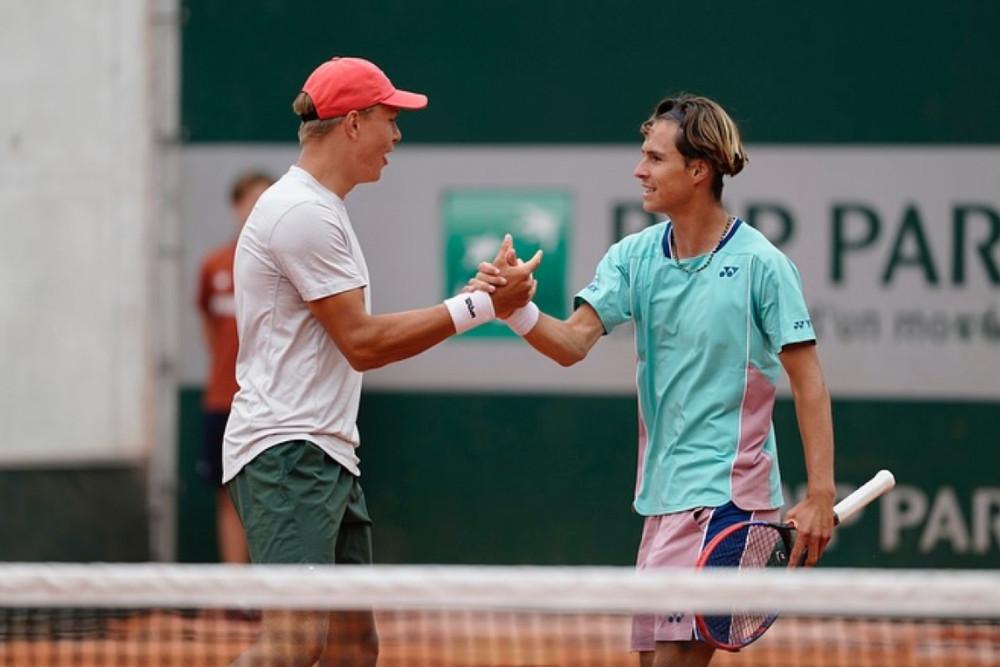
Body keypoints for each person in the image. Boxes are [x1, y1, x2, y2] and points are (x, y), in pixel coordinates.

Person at [471, 94, 835, 667]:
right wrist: (514, 310)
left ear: (698, 169)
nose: (639, 170)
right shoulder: (633, 257)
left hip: (730, 501)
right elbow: (570, 345)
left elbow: (808, 381)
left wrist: (818, 495)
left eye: (654, 158)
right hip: (662, 501)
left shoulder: (763, 265)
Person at [222, 56, 540, 667]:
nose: (396, 136)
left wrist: (477, 303)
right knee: (294, 644)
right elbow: (362, 341)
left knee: (351, 646)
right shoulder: (302, 213)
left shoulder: (321, 209)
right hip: (287, 452)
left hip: (324, 453)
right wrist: (478, 306)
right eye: (389, 119)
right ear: (352, 123)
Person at [195, 170, 273, 566]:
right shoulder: (213, 266)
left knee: (269, 497)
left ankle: (269, 597)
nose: (256, 208)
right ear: (235, 206)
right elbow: (208, 324)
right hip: (223, 401)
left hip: (271, 404)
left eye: (265, 199)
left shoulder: (279, 265)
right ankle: (234, 593)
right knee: (228, 493)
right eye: (250, 200)